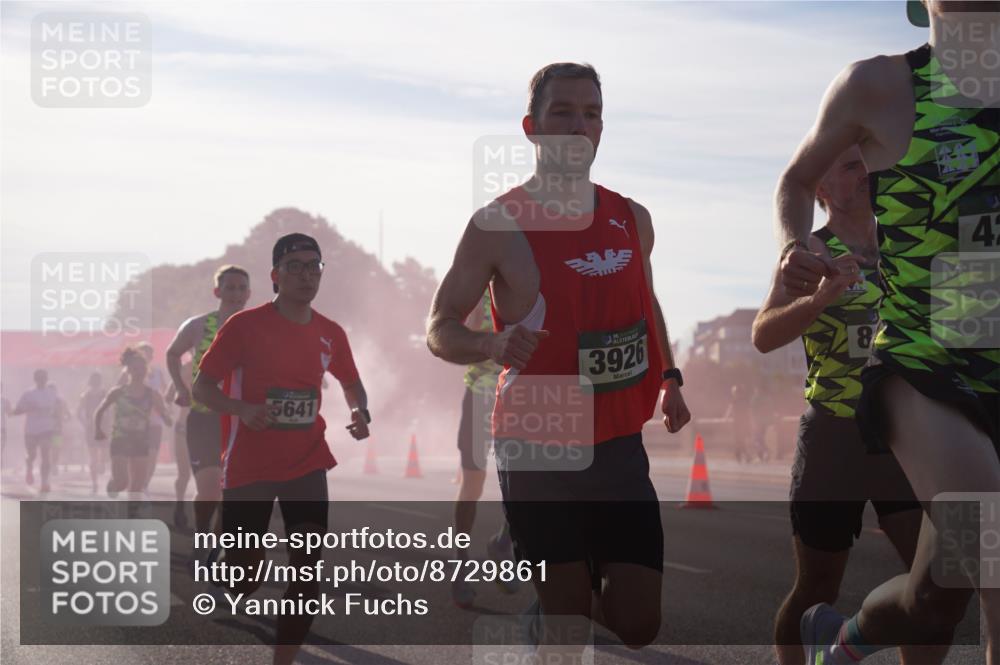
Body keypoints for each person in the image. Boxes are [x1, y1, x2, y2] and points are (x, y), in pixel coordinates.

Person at [427, 62, 690, 651]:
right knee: (568, 627)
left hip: (619, 445)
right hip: (538, 445)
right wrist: (490, 343)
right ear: (532, 127)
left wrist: (669, 375)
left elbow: (646, 303)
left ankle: (547, 610)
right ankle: (553, 610)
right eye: (563, 113)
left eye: (591, 113)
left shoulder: (631, 217)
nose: (579, 126)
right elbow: (438, 328)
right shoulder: (498, 224)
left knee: (639, 625)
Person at [773, 2, 999, 662]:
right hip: (923, 362)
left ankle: (843, 641)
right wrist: (794, 245)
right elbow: (795, 178)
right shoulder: (879, 86)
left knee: (939, 593)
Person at [754, 145, 938, 665]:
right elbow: (763, 335)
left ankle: (852, 647)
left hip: (903, 434)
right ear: (821, 191)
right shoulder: (810, 251)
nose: (865, 174)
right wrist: (817, 300)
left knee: (931, 583)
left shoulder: (910, 242)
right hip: (835, 435)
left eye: (867, 164)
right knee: (816, 587)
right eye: (850, 166)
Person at [192, 233, 370, 665]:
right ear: (275, 276)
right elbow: (202, 386)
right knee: (245, 578)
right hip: (249, 465)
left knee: (307, 572)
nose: (307, 275)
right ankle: (224, 570)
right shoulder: (244, 326)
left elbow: (350, 382)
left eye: (315, 266)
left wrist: (360, 411)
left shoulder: (331, 332)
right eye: (296, 267)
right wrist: (241, 409)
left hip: (307, 461)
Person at [166, 264, 250, 535]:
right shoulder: (198, 325)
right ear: (217, 291)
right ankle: (203, 537)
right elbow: (172, 353)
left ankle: (217, 545)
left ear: (249, 293)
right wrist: (180, 387)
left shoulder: (259, 328)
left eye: (241, 288)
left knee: (232, 492)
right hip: (204, 418)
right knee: (211, 489)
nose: (236, 293)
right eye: (230, 287)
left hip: (242, 420)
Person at [450, 288, 518, 608]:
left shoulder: (532, 282)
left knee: (527, 482)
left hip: (522, 397)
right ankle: (461, 566)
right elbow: (456, 341)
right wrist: (487, 343)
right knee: (472, 485)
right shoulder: (477, 286)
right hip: (480, 394)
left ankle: (503, 542)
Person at [95, 347, 172, 499]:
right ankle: (114, 483)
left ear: (147, 369)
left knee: (137, 487)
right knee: (123, 482)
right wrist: (98, 430)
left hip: (141, 440)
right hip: (120, 439)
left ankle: (131, 517)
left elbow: (164, 414)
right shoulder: (118, 392)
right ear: (128, 370)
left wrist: (167, 418)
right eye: (135, 368)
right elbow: (100, 410)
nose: (139, 371)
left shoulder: (152, 394)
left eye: (142, 368)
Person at [12, 369, 59, 493]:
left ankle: (44, 482)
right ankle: (29, 467)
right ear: (35, 380)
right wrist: (28, 408)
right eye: (39, 379)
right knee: (32, 455)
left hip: (47, 429)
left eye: (44, 378)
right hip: (31, 429)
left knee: (45, 454)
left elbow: (58, 408)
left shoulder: (52, 393)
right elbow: (16, 411)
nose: (42, 381)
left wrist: (58, 420)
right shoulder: (28, 394)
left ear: (46, 379)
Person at [78, 372, 109, 494]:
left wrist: (85, 423)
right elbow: (79, 412)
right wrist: (85, 423)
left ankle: (95, 481)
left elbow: (78, 413)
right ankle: (95, 481)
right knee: (97, 455)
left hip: (97, 426)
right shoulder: (88, 395)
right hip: (97, 426)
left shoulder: (100, 394)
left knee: (95, 456)